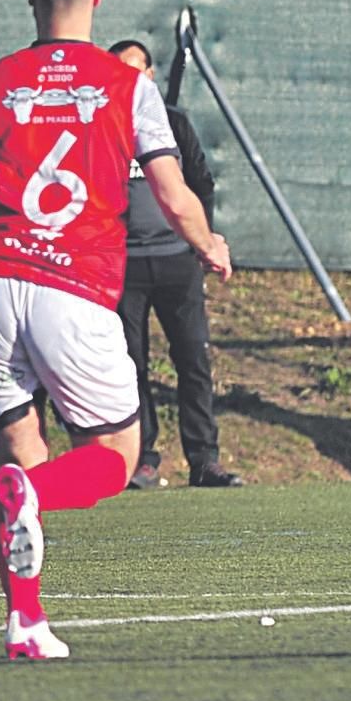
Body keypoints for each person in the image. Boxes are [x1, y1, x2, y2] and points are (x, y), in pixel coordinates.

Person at [0, 0, 231, 661]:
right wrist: (207, 243)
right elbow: (173, 193)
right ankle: (31, 519)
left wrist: (0, 229)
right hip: (71, 287)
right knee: (115, 453)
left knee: (18, 460)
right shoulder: (127, 86)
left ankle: (25, 622)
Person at [105, 38, 240, 491]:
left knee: (192, 359)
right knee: (131, 365)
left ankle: (204, 460)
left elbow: (200, 184)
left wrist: (204, 241)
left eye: (135, 71)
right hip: (122, 267)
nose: (127, 80)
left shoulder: (172, 122)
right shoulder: (99, 124)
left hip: (176, 262)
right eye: (117, 71)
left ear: (150, 76)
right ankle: (142, 460)